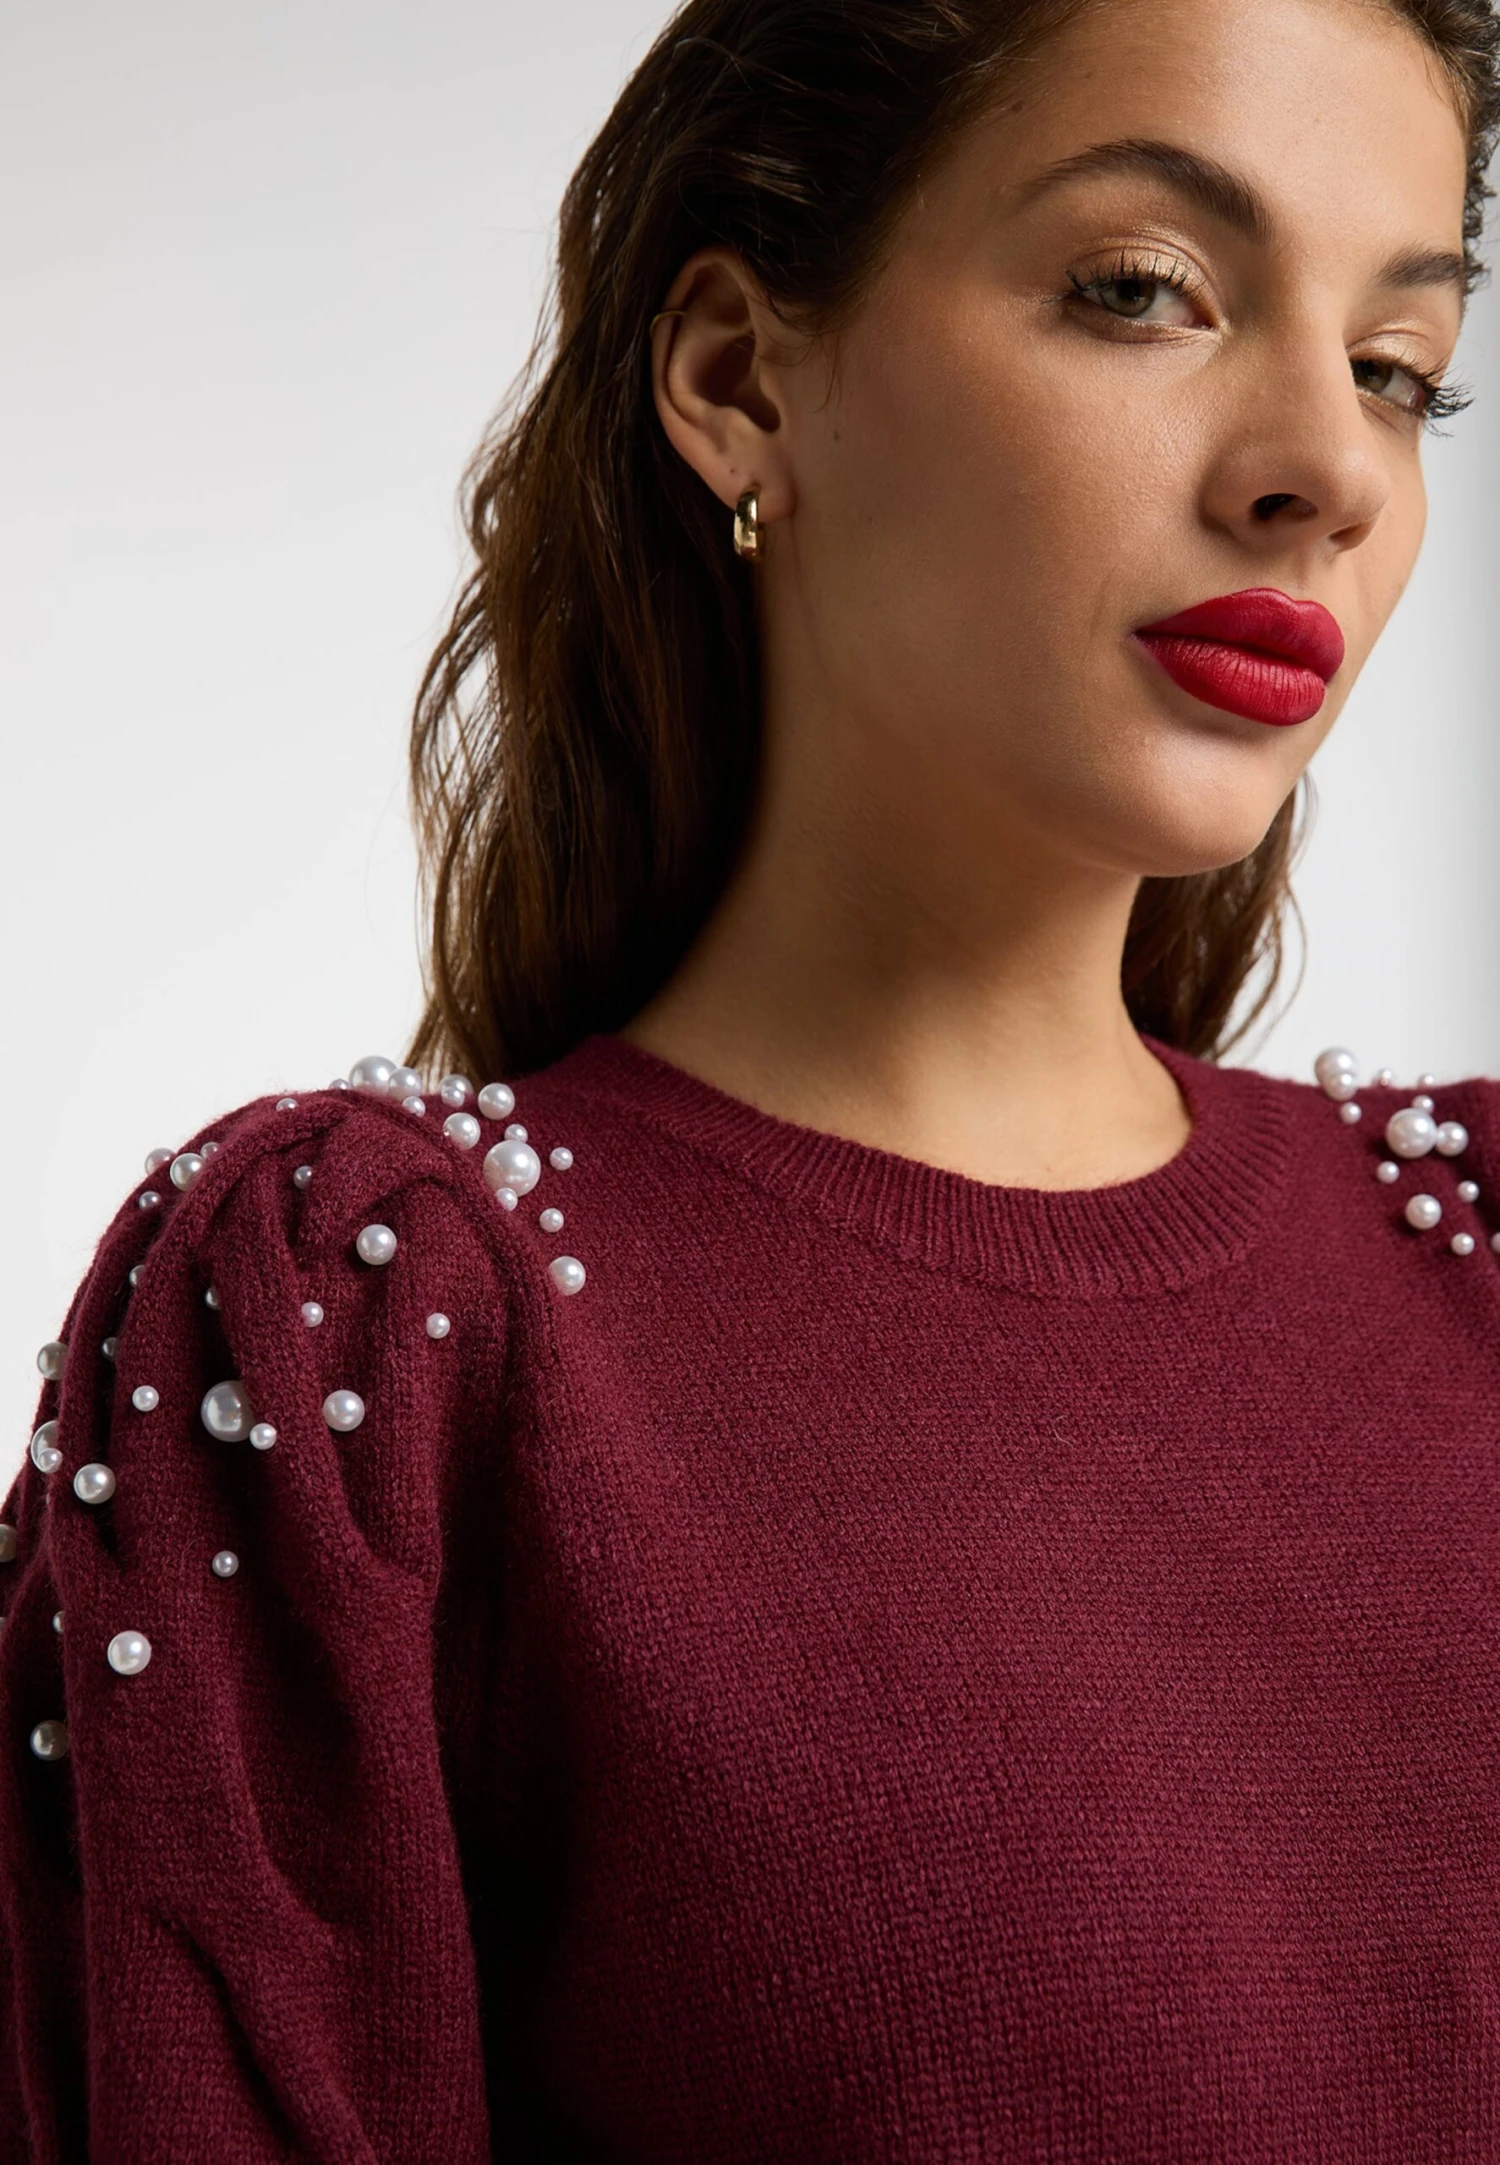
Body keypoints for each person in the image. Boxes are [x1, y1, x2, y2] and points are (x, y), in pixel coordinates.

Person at [4, 0, 1498, 2155]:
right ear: (734, 374)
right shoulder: (364, 1329)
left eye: (1398, 368)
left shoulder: (1479, 1257)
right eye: (1142, 290)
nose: (1330, 469)